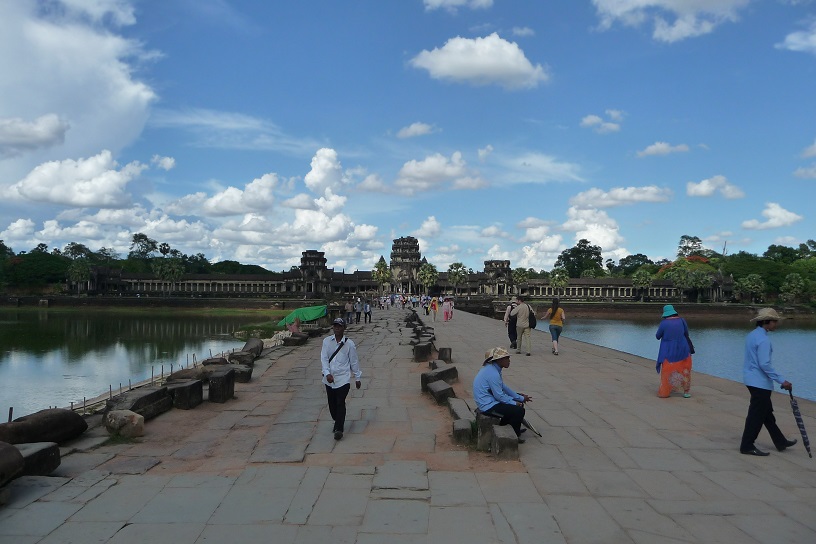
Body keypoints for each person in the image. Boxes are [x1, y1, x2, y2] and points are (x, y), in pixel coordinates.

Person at [739, 308, 797, 456]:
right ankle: (747, 445)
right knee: (756, 415)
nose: (776, 324)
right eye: (774, 321)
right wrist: (782, 380)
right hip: (759, 382)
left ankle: (780, 441)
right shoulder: (763, 340)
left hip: (751, 379)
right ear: (766, 322)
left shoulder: (752, 335)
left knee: (766, 413)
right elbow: (764, 364)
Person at [473, 347, 532, 443]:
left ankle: (511, 428)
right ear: (499, 360)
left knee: (517, 405)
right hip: (487, 406)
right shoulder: (493, 373)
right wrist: (514, 402)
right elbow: (499, 396)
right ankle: (513, 436)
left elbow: (503, 387)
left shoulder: (494, 369)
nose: (509, 361)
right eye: (507, 358)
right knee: (519, 411)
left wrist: (520, 398)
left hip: (490, 401)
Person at [321, 318, 362, 440]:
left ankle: (339, 429)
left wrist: (357, 377)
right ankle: (337, 419)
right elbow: (324, 359)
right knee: (332, 404)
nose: (337, 328)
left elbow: (354, 361)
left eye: (339, 326)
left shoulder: (349, 344)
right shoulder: (326, 342)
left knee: (340, 402)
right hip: (329, 379)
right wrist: (327, 373)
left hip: (343, 378)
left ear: (344, 328)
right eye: (335, 326)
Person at [655, 304, 693, 398]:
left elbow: (658, 336)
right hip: (683, 349)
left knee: (667, 370)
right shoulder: (682, 321)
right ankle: (686, 392)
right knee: (685, 370)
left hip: (668, 350)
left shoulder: (664, 323)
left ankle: (665, 392)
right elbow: (686, 333)